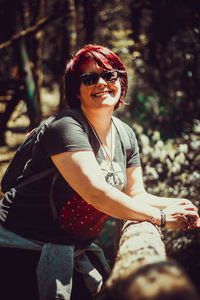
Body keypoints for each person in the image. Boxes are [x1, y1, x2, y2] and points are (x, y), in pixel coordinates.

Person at [0, 44, 199, 300]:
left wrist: (182, 205)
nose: (102, 83)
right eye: (90, 78)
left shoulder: (125, 133)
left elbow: (135, 193)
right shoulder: (66, 127)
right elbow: (96, 193)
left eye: (109, 75)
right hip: (20, 249)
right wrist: (160, 217)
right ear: (77, 91)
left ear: (121, 82)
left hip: (70, 249)